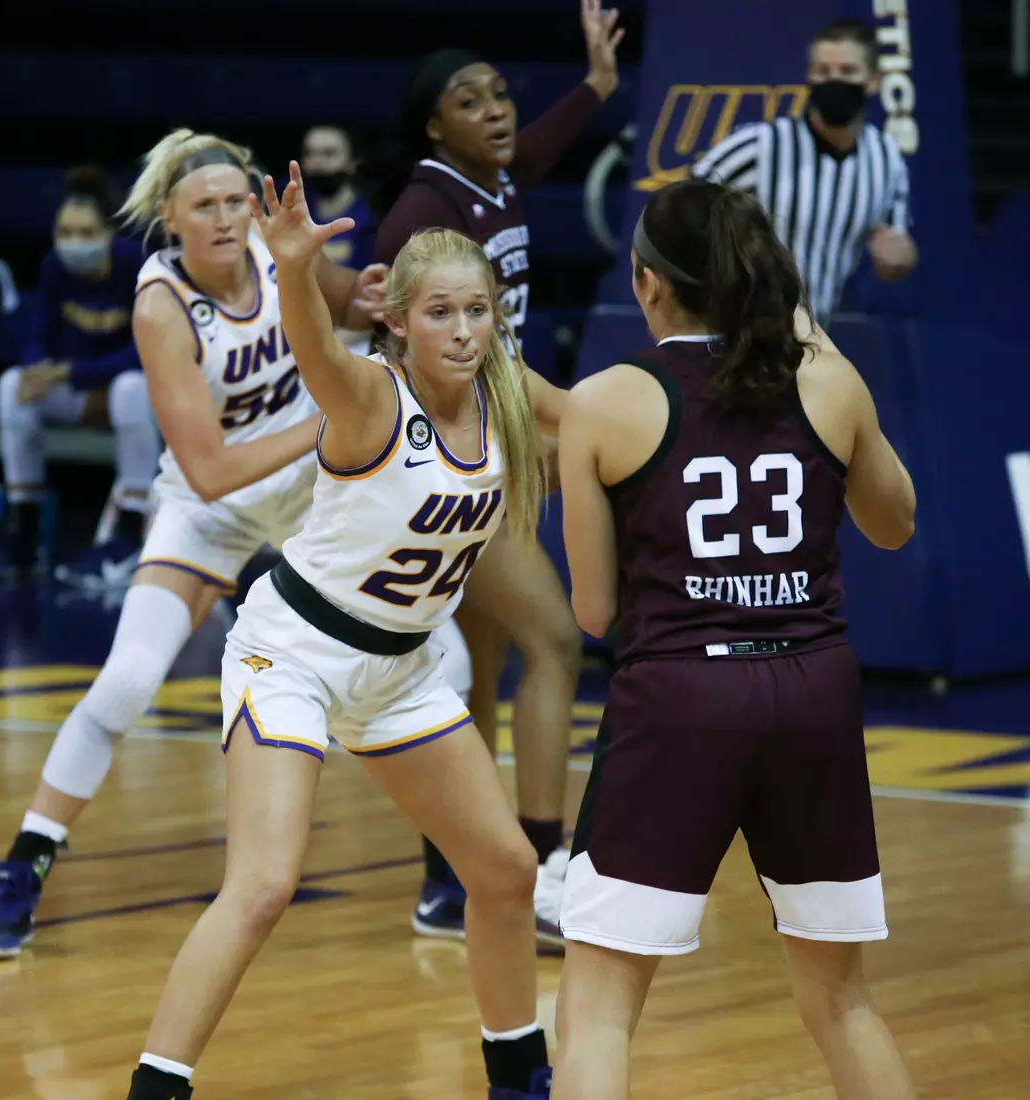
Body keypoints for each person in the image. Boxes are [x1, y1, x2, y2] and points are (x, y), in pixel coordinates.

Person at [121, 165, 567, 1100]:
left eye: (478, 312)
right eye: (441, 313)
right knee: (265, 885)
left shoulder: (510, 395)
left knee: (506, 871)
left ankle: (519, 1082)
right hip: (293, 657)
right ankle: (155, 1091)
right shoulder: (368, 396)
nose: (463, 331)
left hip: (399, 671)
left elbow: (619, 423)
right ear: (399, 321)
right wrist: (289, 269)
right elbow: (315, 348)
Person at [0, 129, 388, 960]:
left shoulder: (270, 240)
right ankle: (23, 867)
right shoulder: (162, 306)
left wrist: (369, 295)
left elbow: (337, 299)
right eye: (206, 206)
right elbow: (211, 468)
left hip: (309, 499)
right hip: (213, 504)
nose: (227, 218)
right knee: (123, 684)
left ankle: (449, 877)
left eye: (236, 201)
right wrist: (325, 421)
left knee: (432, 658)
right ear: (171, 219)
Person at [550, 179, 918, 1100]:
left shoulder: (605, 400)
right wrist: (814, 338)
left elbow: (594, 614)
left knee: (596, 1005)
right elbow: (895, 523)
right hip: (815, 693)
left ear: (647, 283)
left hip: (682, 696)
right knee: (842, 1001)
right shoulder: (829, 381)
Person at [374, 0, 624, 949]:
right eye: (468, 100)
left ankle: (451, 881)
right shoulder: (423, 210)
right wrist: (527, 430)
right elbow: (395, 345)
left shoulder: (492, 181)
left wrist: (597, 84)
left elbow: (545, 143)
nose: (496, 110)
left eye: (500, 95)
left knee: (477, 671)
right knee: (556, 642)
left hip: (489, 433)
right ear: (435, 126)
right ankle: (543, 863)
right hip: (449, 457)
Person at [0, 165, 161, 586]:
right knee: (11, 388)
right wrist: (35, 369)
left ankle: (130, 532)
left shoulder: (138, 264)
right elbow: (36, 334)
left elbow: (146, 352)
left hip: (136, 395)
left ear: (108, 232)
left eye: (86, 233)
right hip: (81, 390)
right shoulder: (54, 267)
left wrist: (69, 371)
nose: (74, 243)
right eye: (66, 232)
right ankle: (24, 532)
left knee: (131, 389)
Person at [692, 18, 918, 328]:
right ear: (809, 77)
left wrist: (902, 257)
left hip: (816, 333)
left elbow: (896, 247)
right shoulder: (762, 145)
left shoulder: (886, 158)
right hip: (740, 330)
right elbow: (679, 210)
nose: (833, 81)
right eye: (822, 71)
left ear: (875, 80)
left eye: (847, 71)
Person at [301, 123, 378, 356]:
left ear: (352, 162)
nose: (318, 162)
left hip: (349, 342)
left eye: (329, 154)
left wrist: (325, 347)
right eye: (310, 153)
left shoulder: (369, 222)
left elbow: (373, 306)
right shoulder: (295, 213)